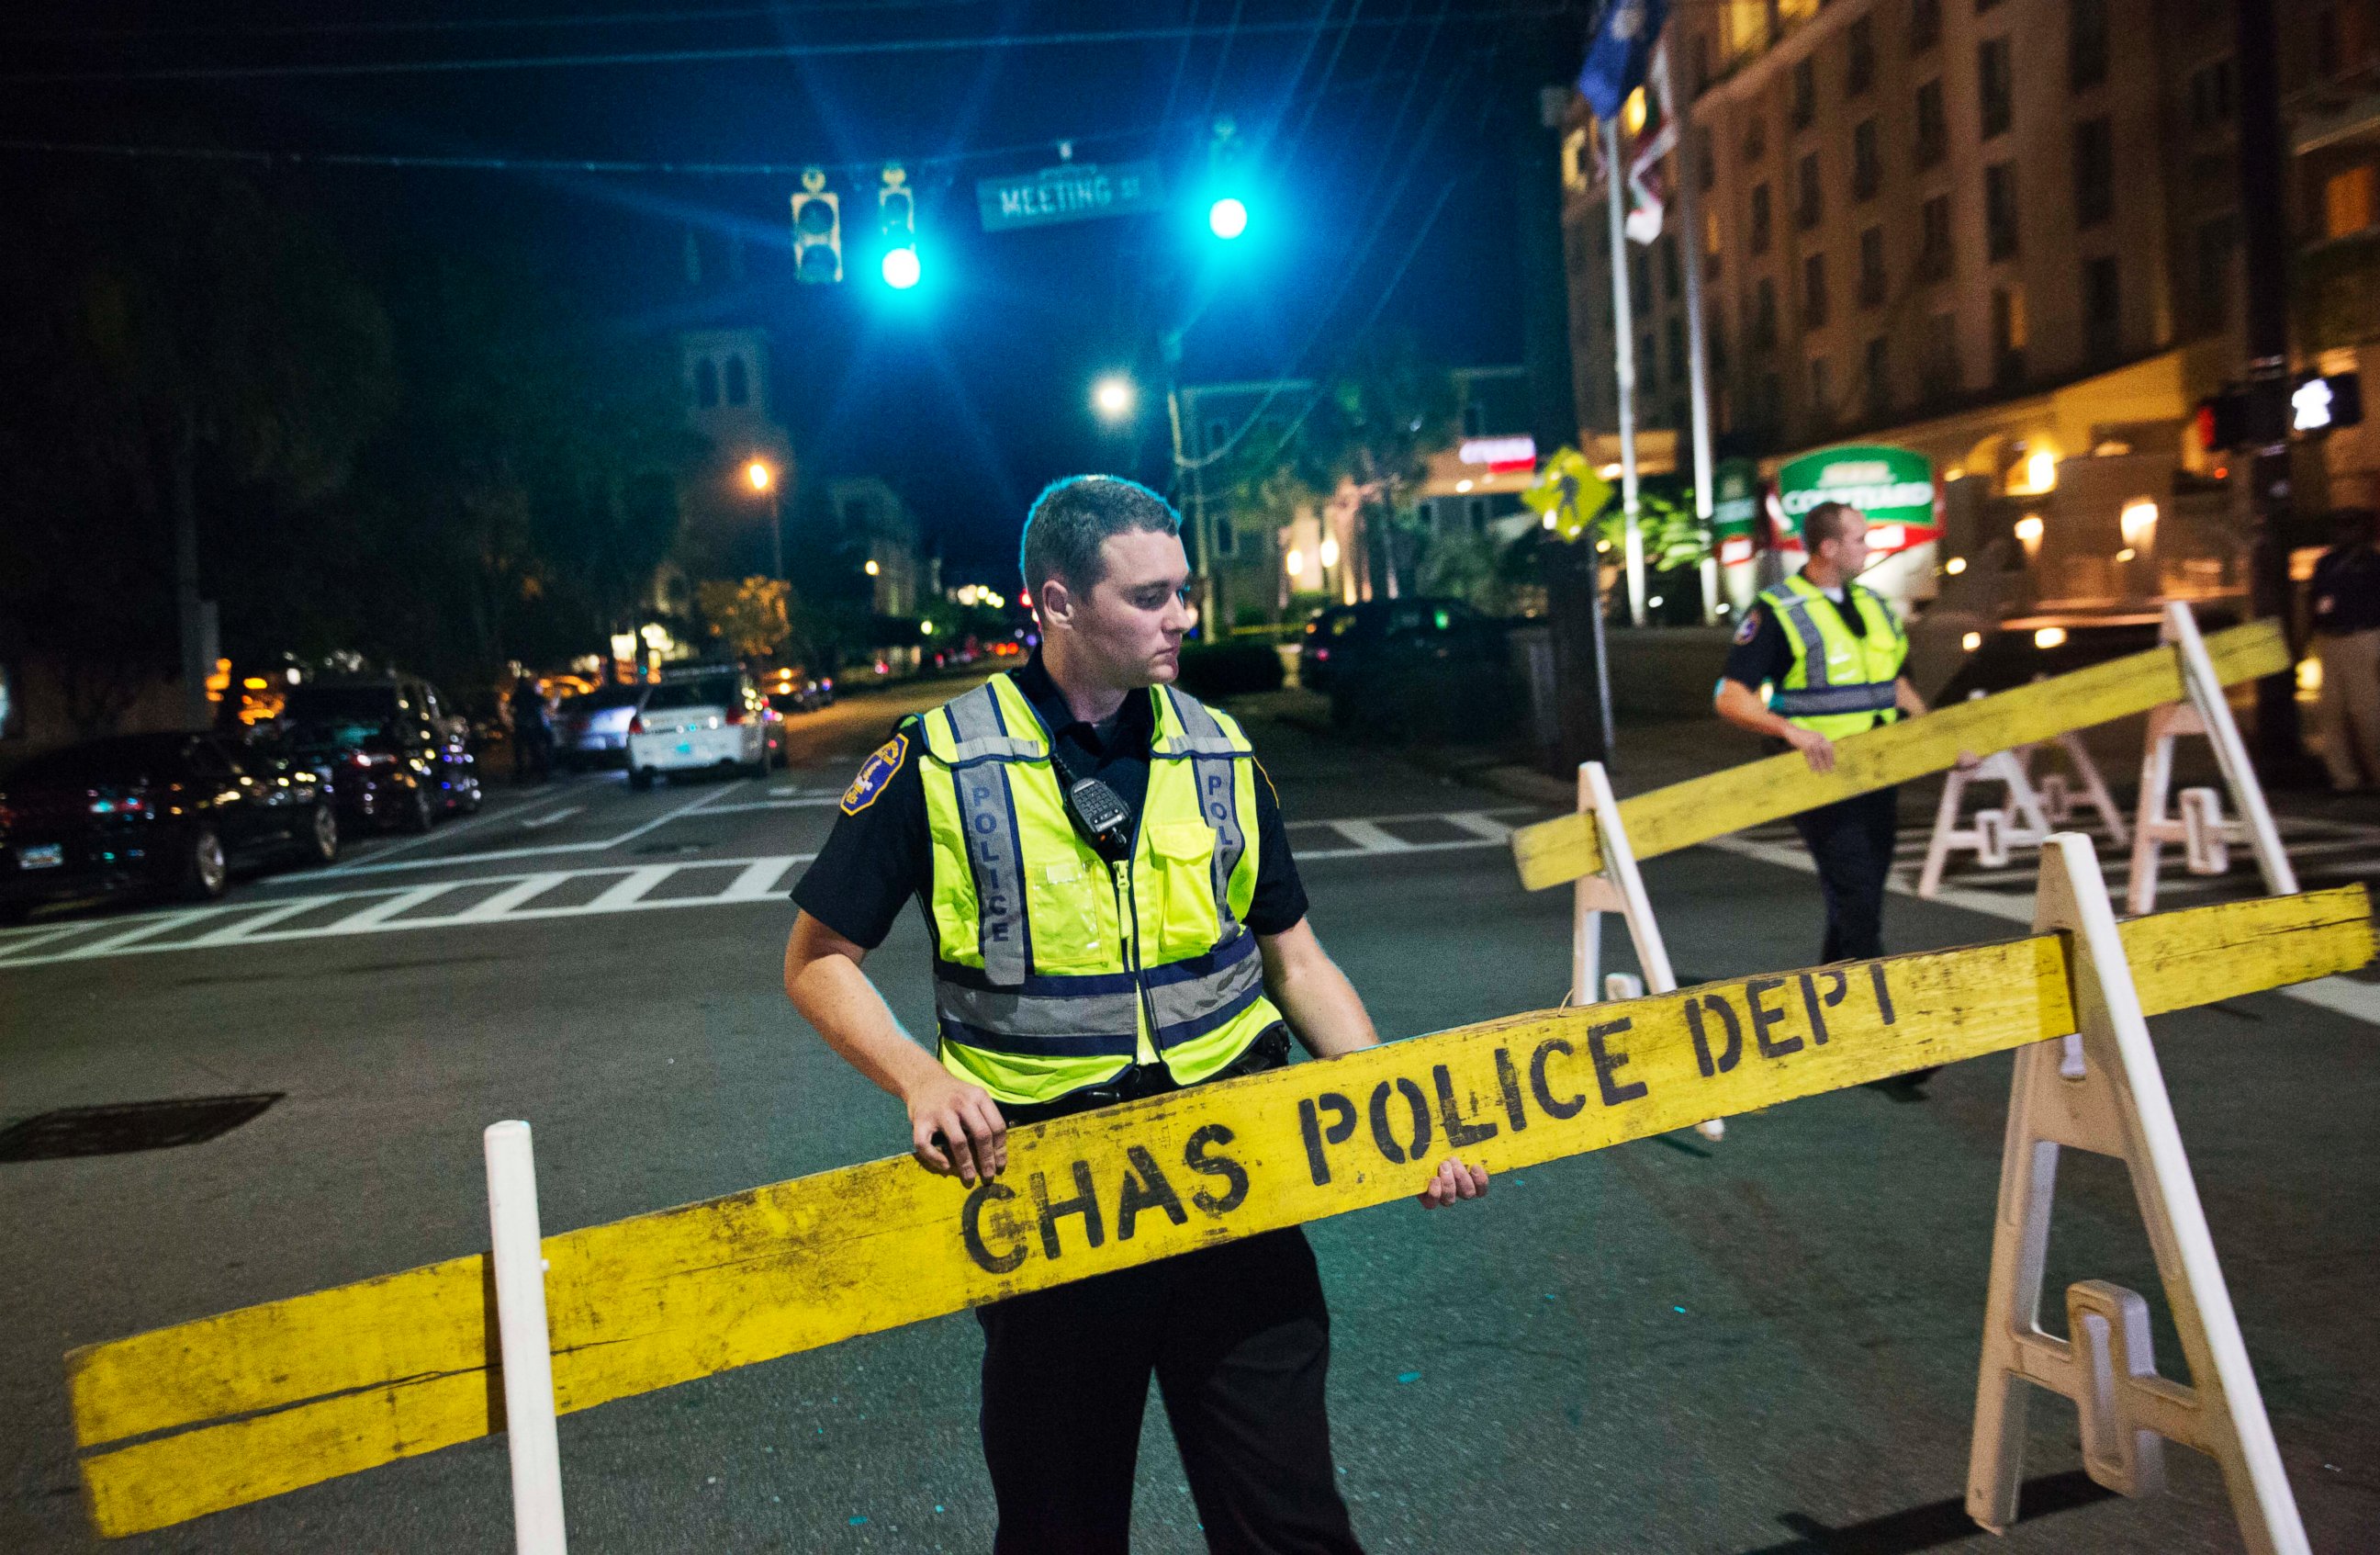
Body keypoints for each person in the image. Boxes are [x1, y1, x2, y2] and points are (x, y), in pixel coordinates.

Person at [781, 475, 1488, 1554]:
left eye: (1187, 592)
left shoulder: (1220, 749)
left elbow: (1294, 959)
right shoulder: (942, 759)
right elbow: (818, 959)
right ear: (1058, 603)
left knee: (1293, 1527)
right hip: (1057, 1211)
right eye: (1152, 597)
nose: (1184, 619)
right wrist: (920, 1078)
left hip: (1235, 1192)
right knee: (1062, 1531)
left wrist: (1398, 1109)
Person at [1713, 501, 1934, 969]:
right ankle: (1871, 1001)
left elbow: (1900, 687)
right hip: (1820, 778)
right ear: (1829, 548)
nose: (1868, 546)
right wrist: (1789, 731)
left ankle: (1830, 984)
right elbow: (1731, 696)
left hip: (1878, 773)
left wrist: (1940, 741)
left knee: (1863, 889)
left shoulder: (1874, 605)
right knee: (1855, 890)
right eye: (1859, 538)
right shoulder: (1777, 610)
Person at [2309, 507, 2380, 794]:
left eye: (2350, 526)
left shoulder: (2372, 562)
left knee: (2367, 711)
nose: (2343, 532)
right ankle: (2344, 778)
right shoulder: (2327, 563)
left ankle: (2376, 774)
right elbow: (2313, 602)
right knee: (2332, 711)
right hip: (2330, 639)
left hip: (2363, 636)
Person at [508, 672, 552, 784]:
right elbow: (543, 702)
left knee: (520, 752)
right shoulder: (531, 694)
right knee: (535, 750)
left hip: (521, 726)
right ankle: (541, 774)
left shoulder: (517, 695)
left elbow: (511, 708)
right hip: (532, 726)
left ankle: (522, 774)